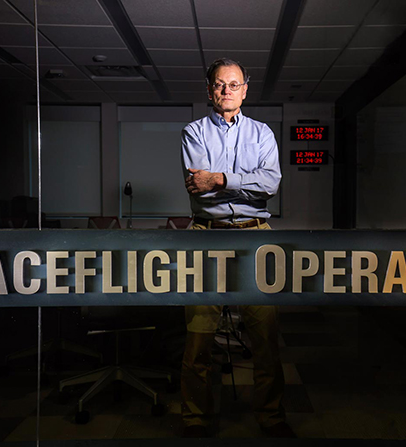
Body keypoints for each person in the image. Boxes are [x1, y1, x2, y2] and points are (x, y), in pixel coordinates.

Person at [179, 58, 294, 438]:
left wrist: (222, 178)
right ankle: (196, 418)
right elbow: (199, 185)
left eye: (233, 84)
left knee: (264, 334)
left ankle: (271, 417)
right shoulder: (193, 132)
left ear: (246, 89)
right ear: (209, 90)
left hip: (253, 236)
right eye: (218, 84)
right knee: (198, 336)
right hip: (206, 235)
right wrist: (238, 181)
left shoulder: (262, 134)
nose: (226, 91)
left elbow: (271, 184)